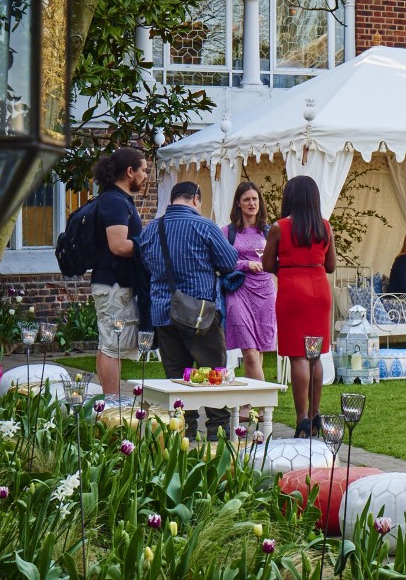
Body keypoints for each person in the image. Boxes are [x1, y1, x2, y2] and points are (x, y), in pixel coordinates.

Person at [137, 181, 238, 440]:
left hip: (163, 313)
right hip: (200, 314)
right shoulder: (205, 226)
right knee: (214, 373)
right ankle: (217, 433)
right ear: (196, 198)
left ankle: (185, 433)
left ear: (173, 200)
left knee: (177, 378)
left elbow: (146, 266)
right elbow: (229, 262)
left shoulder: (151, 230)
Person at [263, 176, 337, 438]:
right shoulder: (325, 227)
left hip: (293, 290)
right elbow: (331, 266)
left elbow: (267, 264)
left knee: (298, 356)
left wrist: (287, 266)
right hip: (319, 291)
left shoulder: (279, 228)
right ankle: (316, 414)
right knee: (315, 355)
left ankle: (301, 418)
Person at [89, 147, 148, 400]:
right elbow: (118, 245)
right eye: (144, 170)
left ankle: (109, 400)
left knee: (108, 344)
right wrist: (147, 245)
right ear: (129, 171)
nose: (146, 176)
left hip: (112, 283)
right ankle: (112, 404)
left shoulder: (116, 199)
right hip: (113, 285)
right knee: (112, 345)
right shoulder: (114, 201)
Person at [222, 182, 276, 416]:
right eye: (246, 199)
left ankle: (247, 403)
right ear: (238, 203)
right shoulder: (228, 232)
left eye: (255, 199)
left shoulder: (269, 231)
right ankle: (264, 405)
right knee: (249, 351)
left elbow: (279, 260)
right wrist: (245, 263)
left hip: (265, 292)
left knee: (259, 351)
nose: (252, 203)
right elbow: (221, 262)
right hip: (239, 290)